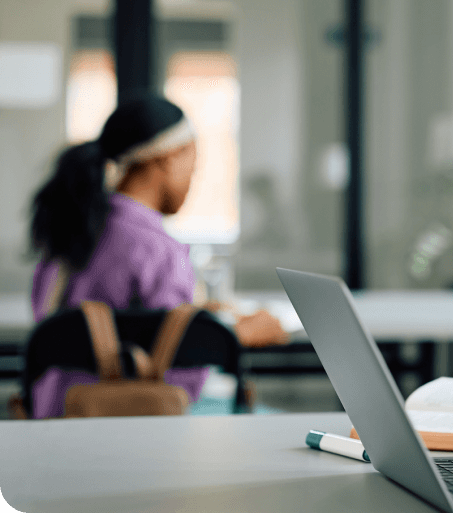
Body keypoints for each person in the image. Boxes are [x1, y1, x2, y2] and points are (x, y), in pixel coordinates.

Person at [27, 97, 286, 419]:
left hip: (52, 416)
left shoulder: (68, 234)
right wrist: (233, 337)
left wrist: (197, 319)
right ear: (168, 159)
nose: (194, 179)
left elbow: (59, 329)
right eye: (193, 164)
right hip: (127, 425)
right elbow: (180, 382)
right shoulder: (159, 251)